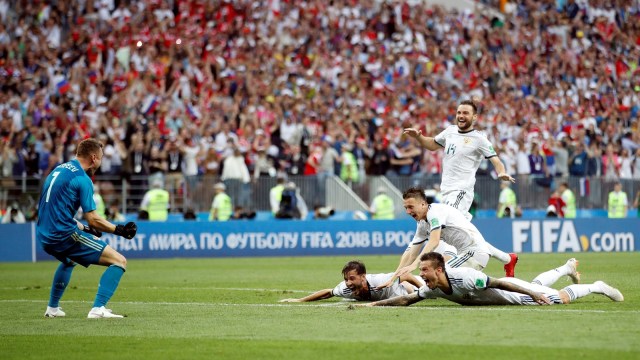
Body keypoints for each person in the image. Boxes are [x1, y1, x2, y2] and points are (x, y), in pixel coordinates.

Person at [403, 99, 517, 271]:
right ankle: (507, 258)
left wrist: (501, 172)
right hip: (446, 191)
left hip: (461, 192)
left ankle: (443, 272)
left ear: (475, 117)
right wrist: (419, 137)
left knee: (442, 232)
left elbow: (495, 159)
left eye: (465, 113)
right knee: (465, 235)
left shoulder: (479, 139)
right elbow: (432, 145)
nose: (461, 116)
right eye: (459, 113)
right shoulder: (449, 131)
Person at [36, 138, 137, 319]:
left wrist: (85, 228)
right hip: (63, 235)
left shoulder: (58, 170)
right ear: (93, 158)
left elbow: (57, 210)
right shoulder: (83, 179)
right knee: (119, 261)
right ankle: (98, 309)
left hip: (43, 233)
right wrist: (119, 230)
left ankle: (52, 308)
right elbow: (94, 219)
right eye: (101, 158)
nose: (101, 161)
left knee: (69, 261)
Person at [363, 252, 623, 307]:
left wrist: (532, 296)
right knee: (538, 285)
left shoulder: (465, 277)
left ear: (440, 270)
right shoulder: (435, 290)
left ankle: (596, 286)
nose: (422, 276)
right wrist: (372, 306)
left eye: (425, 271)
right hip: (511, 292)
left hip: (514, 294)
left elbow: (498, 283)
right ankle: (566, 267)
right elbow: (408, 299)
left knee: (557, 298)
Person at [378, 187, 515, 290]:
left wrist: (414, 265)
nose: (408, 211)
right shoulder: (422, 224)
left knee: (438, 276)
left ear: (423, 204)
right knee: (440, 279)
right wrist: (393, 278)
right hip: (465, 253)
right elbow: (410, 253)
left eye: (411, 207)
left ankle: (507, 288)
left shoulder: (434, 213)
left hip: (474, 253)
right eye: (406, 207)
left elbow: (434, 241)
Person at [279, 260, 425, 303]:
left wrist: (424, 291)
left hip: (412, 286)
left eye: (352, 278)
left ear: (363, 277)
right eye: (346, 279)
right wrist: (300, 300)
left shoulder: (378, 281)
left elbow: (406, 275)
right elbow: (327, 293)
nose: (348, 282)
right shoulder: (346, 289)